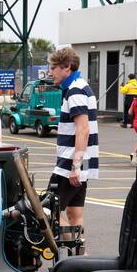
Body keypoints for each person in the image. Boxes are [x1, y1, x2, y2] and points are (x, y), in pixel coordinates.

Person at [47, 46, 98, 236]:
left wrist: (75, 165)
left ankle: (68, 259)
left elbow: (83, 129)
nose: (50, 72)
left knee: (49, 211)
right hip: (81, 161)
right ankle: (81, 258)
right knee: (74, 214)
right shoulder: (80, 86)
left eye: (53, 68)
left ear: (66, 67)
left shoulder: (75, 91)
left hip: (70, 163)